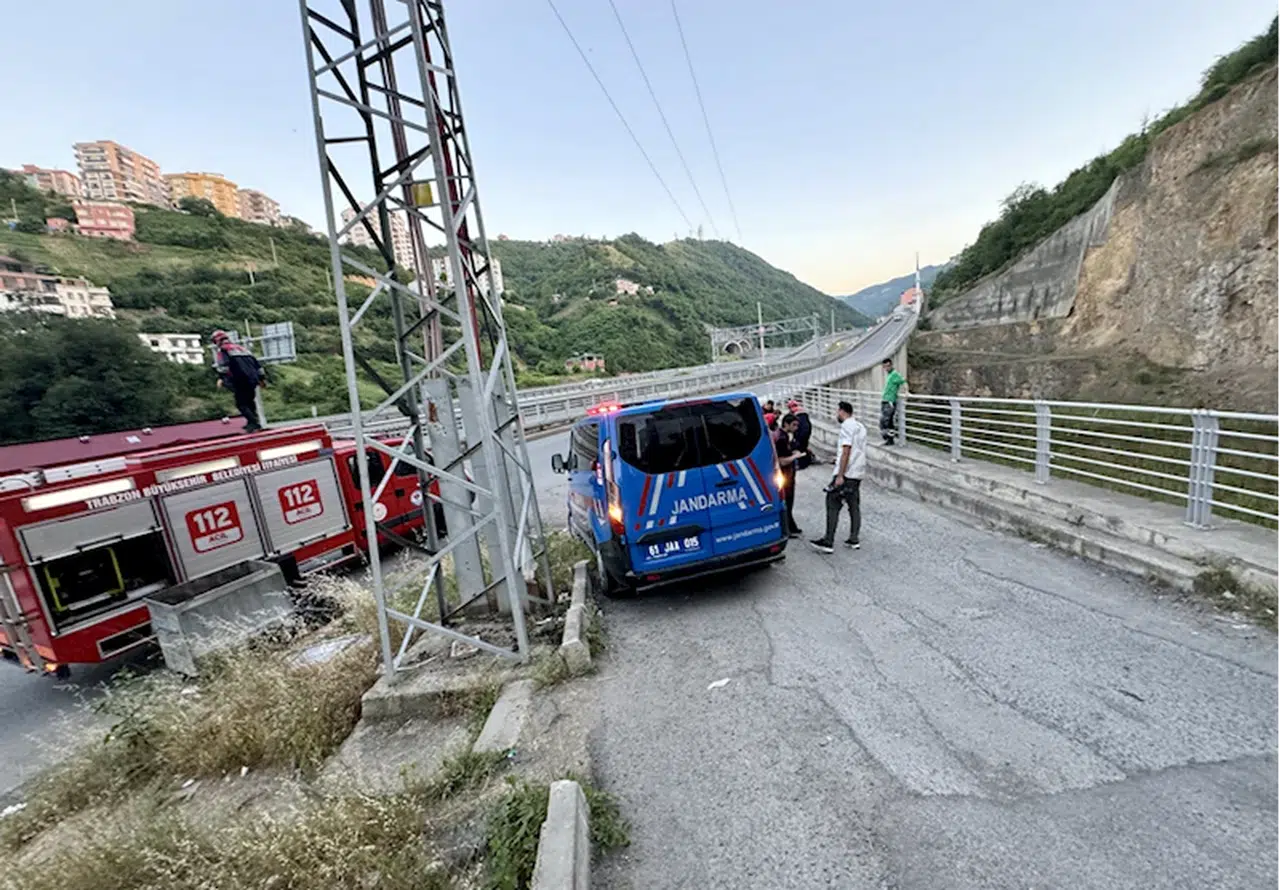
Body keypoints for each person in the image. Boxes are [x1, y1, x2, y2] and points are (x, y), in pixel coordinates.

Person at [810, 400, 866, 554]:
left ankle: (828, 541)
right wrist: (838, 458)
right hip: (857, 472)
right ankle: (854, 539)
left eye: (837, 412)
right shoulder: (860, 427)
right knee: (854, 505)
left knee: (832, 502)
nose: (837, 415)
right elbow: (856, 450)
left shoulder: (846, 426)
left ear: (842, 411)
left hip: (846, 473)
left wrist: (840, 474)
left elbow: (847, 449)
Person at [212, 330, 267, 432]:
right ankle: (252, 422)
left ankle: (254, 422)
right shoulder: (243, 349)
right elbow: (258, 365)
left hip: (239, 379)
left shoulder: (223, 350)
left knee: (241, 403)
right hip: (253, 379)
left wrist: (222, 378)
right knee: (250, 401)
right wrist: (262, 379)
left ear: (217, 341)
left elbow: (224, 366)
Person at [775, 413, 803, 537]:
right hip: (784, 475)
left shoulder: (785, 436)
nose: (796, 428)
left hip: (788, 474)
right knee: (787, 501)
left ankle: (791, 526)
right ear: (786, 424)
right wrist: (795, 456)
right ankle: (787, 529)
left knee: (789, 501)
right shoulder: (781, 438)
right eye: (794, 425)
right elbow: (781, 460)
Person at [879, 358, 907, 445]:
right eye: (885, 367)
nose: (886, 368)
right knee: (888, 422)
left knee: (885, 421)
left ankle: (888, 439)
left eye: (888, 366)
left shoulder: (895, 374)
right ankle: (890, 440)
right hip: (885, 400)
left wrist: (906, 392)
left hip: (890, 402)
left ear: (891, 365)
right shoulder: (889, 375)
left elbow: (903, 381)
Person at [787, 399, 814, 469]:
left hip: (802, 432)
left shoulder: (796, 413)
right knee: (803, 446)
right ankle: (807, 460)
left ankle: (802, 463)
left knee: (800, 448)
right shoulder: (802, 411)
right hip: (807, 430)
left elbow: (797, 425)